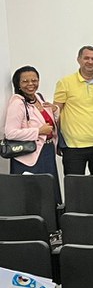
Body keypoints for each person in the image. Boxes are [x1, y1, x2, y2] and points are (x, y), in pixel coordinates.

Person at [4, 66, 61, 203]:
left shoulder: (38, 98)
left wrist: (55, 110)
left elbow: (49, 122)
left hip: (46, 151)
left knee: (49, 190)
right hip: (29, 156)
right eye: (25, 81)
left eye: (34, 80)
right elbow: (10, 132)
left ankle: (51, 223)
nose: (31, 84)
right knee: (33, 195)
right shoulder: (17, 103)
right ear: (18, 84)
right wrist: (38, 131)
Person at [54, 46, 93, 175]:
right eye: (86, 58)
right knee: (75, 188)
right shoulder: (65, 82)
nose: (90, 62)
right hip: (73, 146)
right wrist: (57, 141)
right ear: (78, 59)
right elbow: (56, 113)